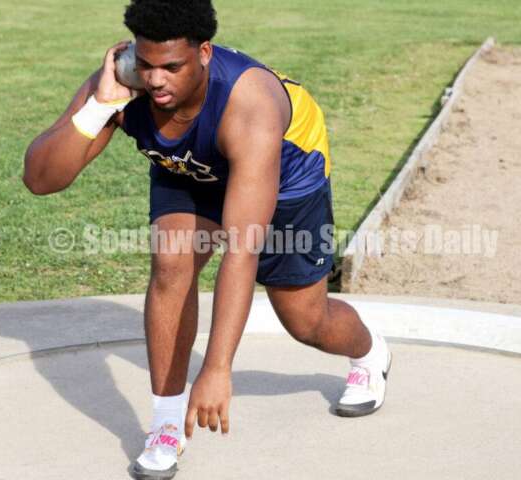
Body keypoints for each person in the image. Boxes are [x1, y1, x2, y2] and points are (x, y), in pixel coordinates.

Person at [23, 1, 391, 478]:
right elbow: (40, 179)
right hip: (192, 170)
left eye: (172, 67)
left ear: (203, 52)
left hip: (283, 174)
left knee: (305, 319)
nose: (156, 81)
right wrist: (101, 105)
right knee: (171, 262)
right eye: (147, 64)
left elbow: (241, 250)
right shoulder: (122, 82)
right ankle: (165, 425)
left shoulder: (250, 105)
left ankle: (368, 352)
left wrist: (217, 369)